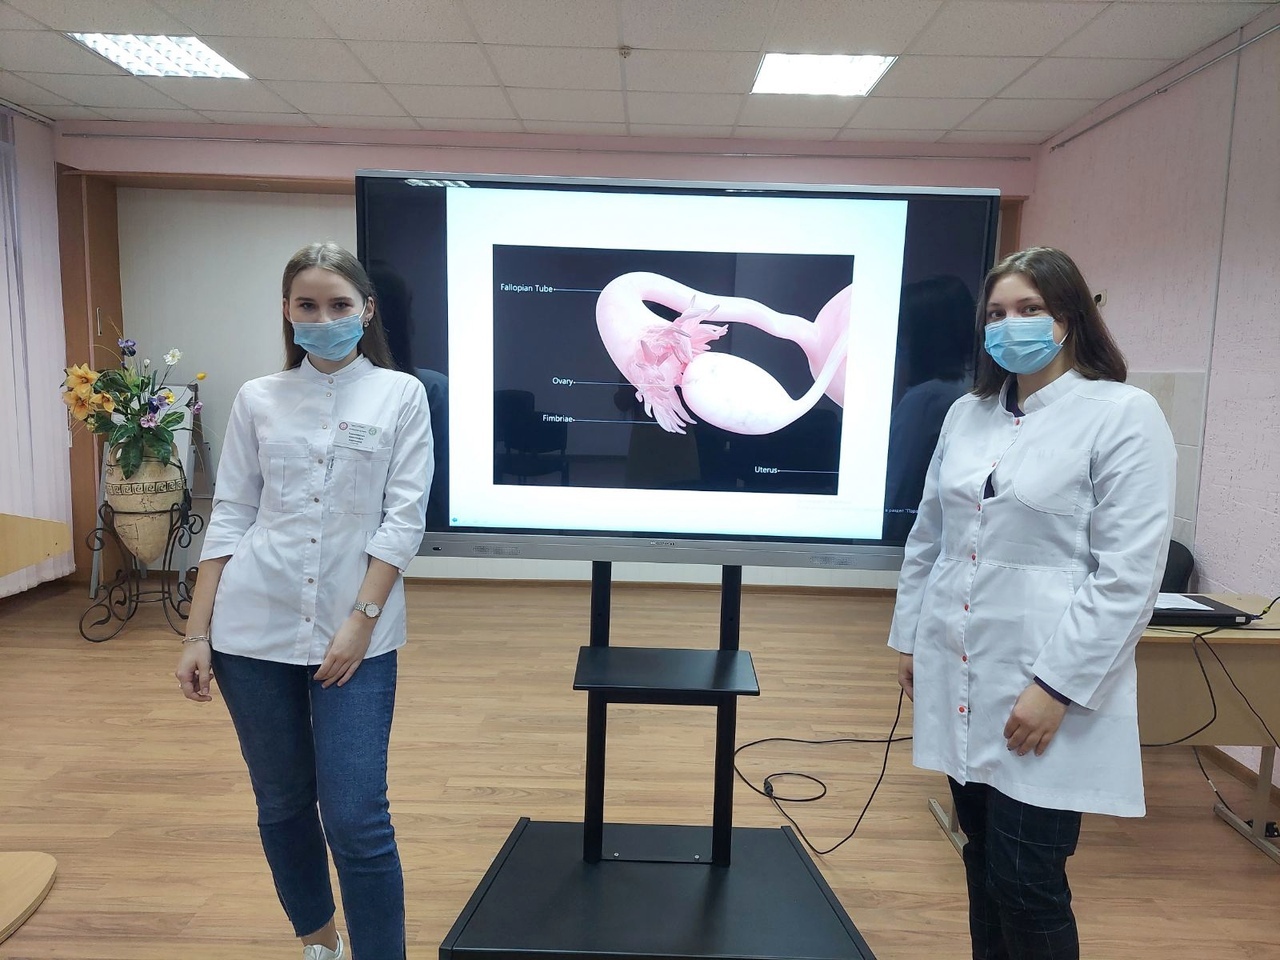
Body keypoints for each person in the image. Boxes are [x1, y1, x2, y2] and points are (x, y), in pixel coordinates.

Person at [887, 247, 1175, 960]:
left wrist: (1057, 688)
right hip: (960, 670)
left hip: (1048, 684)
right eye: (995, 313)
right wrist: (911, 639)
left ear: (1069, 317)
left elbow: (1128, 575)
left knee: (1027, 880)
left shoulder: (1122, 415)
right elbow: (932, 535)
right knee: (983, 860)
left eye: (1028, 309)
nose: (1008, 325)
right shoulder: (968, 414)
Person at [176, 241, 434, 960]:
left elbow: (403, 519)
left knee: (356, 816)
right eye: (308, 306)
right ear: (287, 313)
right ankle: (320, 944)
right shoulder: (259, 397)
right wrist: (197, 634)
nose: (324, 319)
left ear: (367, 310)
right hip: (251, 629)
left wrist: (361, 621)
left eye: (339, 305)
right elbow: (232, 513)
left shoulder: (401, 395)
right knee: (284, 802)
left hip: (356, 636)